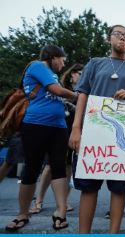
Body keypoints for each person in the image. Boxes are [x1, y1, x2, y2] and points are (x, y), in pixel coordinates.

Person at [68, 24, 125, 233]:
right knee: (88, 187)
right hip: (93, 132)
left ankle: (113, 232)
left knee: (119, 189)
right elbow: (82, 94)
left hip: (122, 135)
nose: (122, 39)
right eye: (118, 34)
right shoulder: (95, 63)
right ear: (108, 39)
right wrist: (76, 128)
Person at [5, 45, 78, 232]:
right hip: (36, 125)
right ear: (53, 57)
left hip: (59, 127)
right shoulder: (38, 66)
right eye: (62, 60)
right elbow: (58, 91)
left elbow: (56, 97)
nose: (63, 64)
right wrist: (78, 95)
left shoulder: (51, 74)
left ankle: (60, 212)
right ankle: (22, 214)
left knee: (59, 167)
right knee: (32, 168)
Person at [28, 63, 84, 214]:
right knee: (50, 166)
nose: (82, 75)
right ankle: (38, 200)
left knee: (68, 167)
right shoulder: (59, 85)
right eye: (80, 72)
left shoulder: (84, 91)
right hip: (59, 128)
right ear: (72, 74)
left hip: (75, 131)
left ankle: (63, 201)